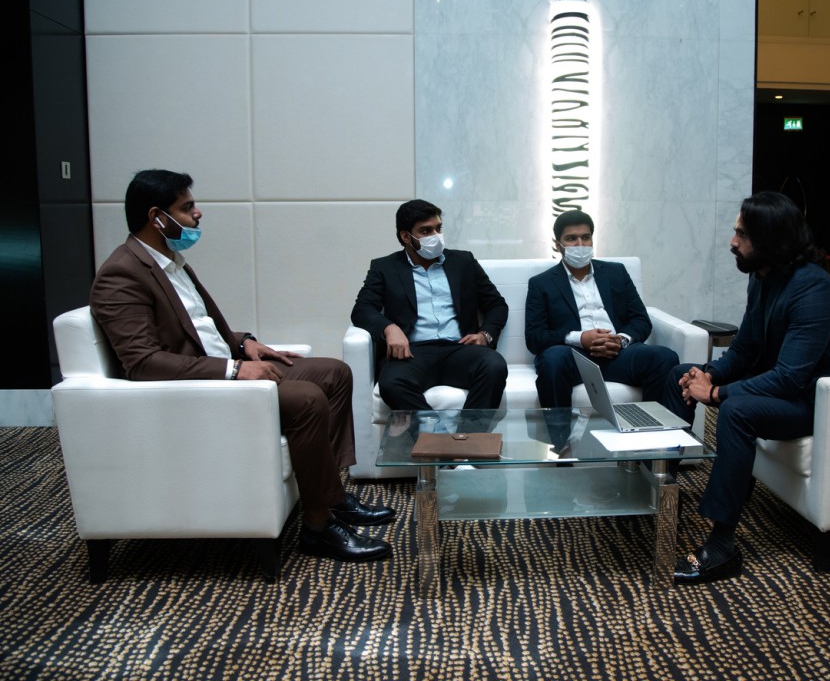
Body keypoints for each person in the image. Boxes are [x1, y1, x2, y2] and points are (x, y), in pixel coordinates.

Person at [90, 170, 395, 565]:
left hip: (222, 367)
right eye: (186, 207)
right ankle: (318, 527)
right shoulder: (122, 273)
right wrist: (234, 370)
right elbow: (142, 362)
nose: (198, 214)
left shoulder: (171, 263)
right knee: (306, 399)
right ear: (156, 217)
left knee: (334, 373)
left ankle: (330, 496)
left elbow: (194, 328)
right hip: (200, 389)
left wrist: (243, 343)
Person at [663, 191, 830, 584]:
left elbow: (790, 377)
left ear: (771, 238)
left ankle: (722, 548)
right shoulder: (763, 276)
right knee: (679, 373)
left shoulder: (814, 290)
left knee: (737, 411)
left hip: (822, 404)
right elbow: (746, 349)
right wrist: (707, 375)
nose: (732, 242)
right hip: (786, 390)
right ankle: (664, 491)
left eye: (742, 234)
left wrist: (716, 394)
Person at [350, 199, 509, 412]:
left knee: (494, 366)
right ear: (406, 236)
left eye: (438, 228)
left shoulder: (463, 262)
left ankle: (469, 432)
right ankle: (434, 432)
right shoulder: (385, 267)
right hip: (412, 353)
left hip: (459, 349)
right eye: (426, 231)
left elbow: (496, 304)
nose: (435, 236)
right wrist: (389, 328)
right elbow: (362, 309)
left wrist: (485, 335)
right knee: (392, 383)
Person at [525, 210, 680, 410]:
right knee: (551, 361)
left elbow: (641, 319)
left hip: (618, 353)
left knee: (664, 358)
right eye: (571, 239)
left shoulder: (616, 272)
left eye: (586, 237)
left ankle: (650, 426)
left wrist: (620, 340)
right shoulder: (541, 283)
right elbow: (535, 337)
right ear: (557, 244)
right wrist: (580, 338)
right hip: (573, 356)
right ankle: (559, 430)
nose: (580, 244)